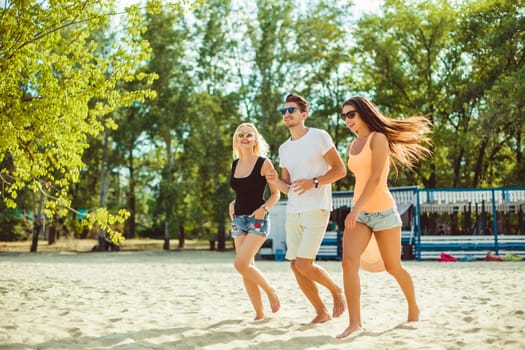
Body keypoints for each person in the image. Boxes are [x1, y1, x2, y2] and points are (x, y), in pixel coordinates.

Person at [337, 96, 432, 338]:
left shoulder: (378, 139)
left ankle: (413, 306)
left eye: (351, 114)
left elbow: (377, 177)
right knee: (348, 262)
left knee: (393, 266)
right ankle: (355, 323)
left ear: (364, 113)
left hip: (384, 214)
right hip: (360, 215)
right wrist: (357, 210)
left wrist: (355, 207)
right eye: (344, 116)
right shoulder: (352, 145)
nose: (347, 120)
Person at [265, 93, 347, 324]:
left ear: (304, 114)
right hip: (293, 211)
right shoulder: (283, 149)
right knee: (295, 265)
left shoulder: (319, 136)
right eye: (284, 111)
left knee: (304, 264)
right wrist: (272, 181)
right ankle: (321, 312)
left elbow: (340, 170)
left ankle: (336, 291)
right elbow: (288, 187)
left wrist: (316, 182)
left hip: (317, 207)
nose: (287, 114)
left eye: (291, 110)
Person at [229, 122, 281, 320]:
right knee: (245, 268)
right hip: (238, 220)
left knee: (240, 264)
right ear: (236, 139)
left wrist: (264, 209)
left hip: (257, 220)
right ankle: (259, 314)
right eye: (240, 134)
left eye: (249, 135)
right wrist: (231, 203)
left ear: (255, 140)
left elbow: (276, 194)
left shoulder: (264, 163)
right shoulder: (235, 164)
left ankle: (270, 290)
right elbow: (241, 192)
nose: (244, 137)